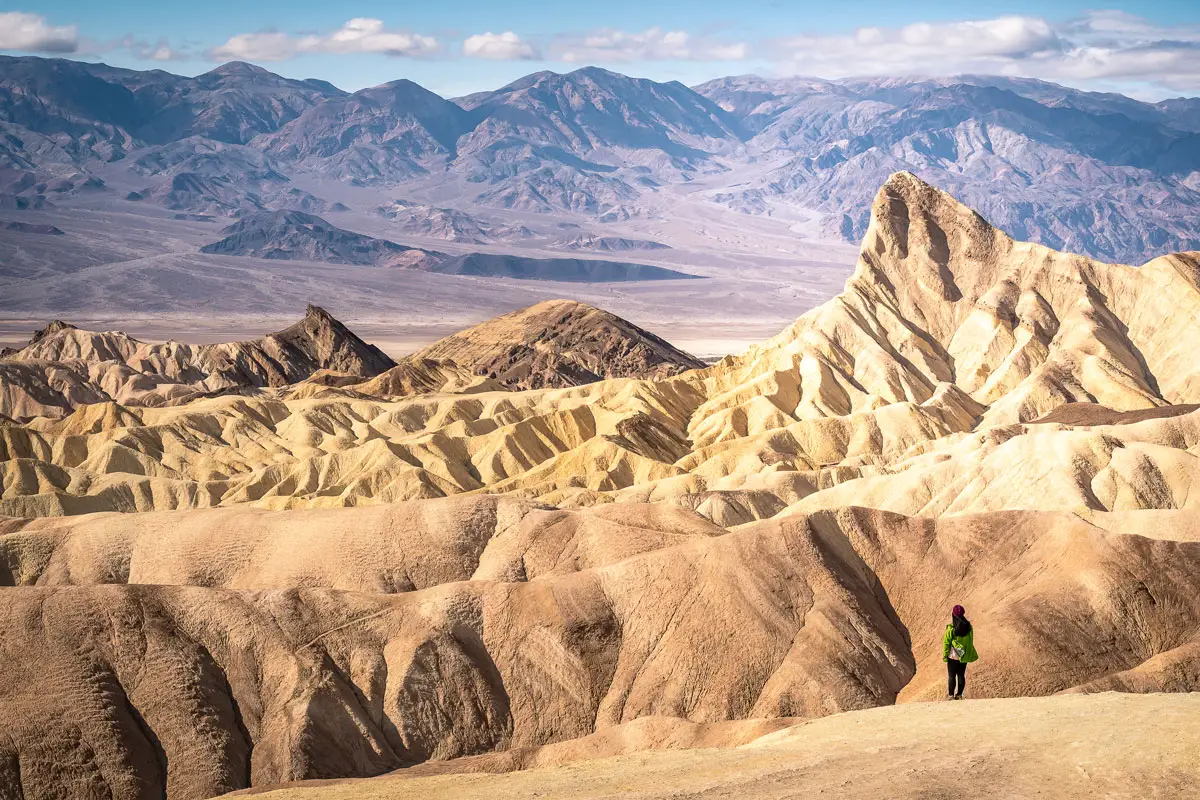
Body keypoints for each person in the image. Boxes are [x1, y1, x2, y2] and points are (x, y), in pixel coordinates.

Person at [943, 604, 978, 700]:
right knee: (961, 675)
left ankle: (950, 696)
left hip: (953, 655)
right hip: (964, 655)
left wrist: (945, 656)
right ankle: (959, 695)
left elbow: (946, 643)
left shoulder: (951, 629)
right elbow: (970, 640)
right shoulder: (969, 627)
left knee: (951, 675)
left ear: (953, 615)